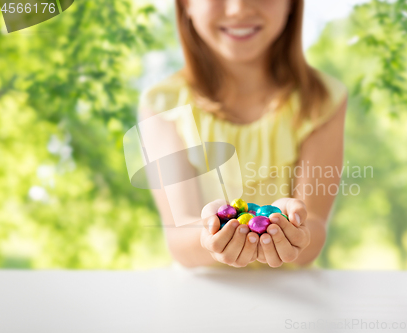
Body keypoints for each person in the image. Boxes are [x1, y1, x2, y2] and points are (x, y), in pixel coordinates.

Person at [138, 0, 348, 269]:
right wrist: (208, 238)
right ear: (185, 4)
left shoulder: (323, 99)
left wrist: (299, 234)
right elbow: (178, 239)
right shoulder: (162, 105)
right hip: (202, 293)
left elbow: (315, 227)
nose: (238, 9)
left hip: (292, 294)